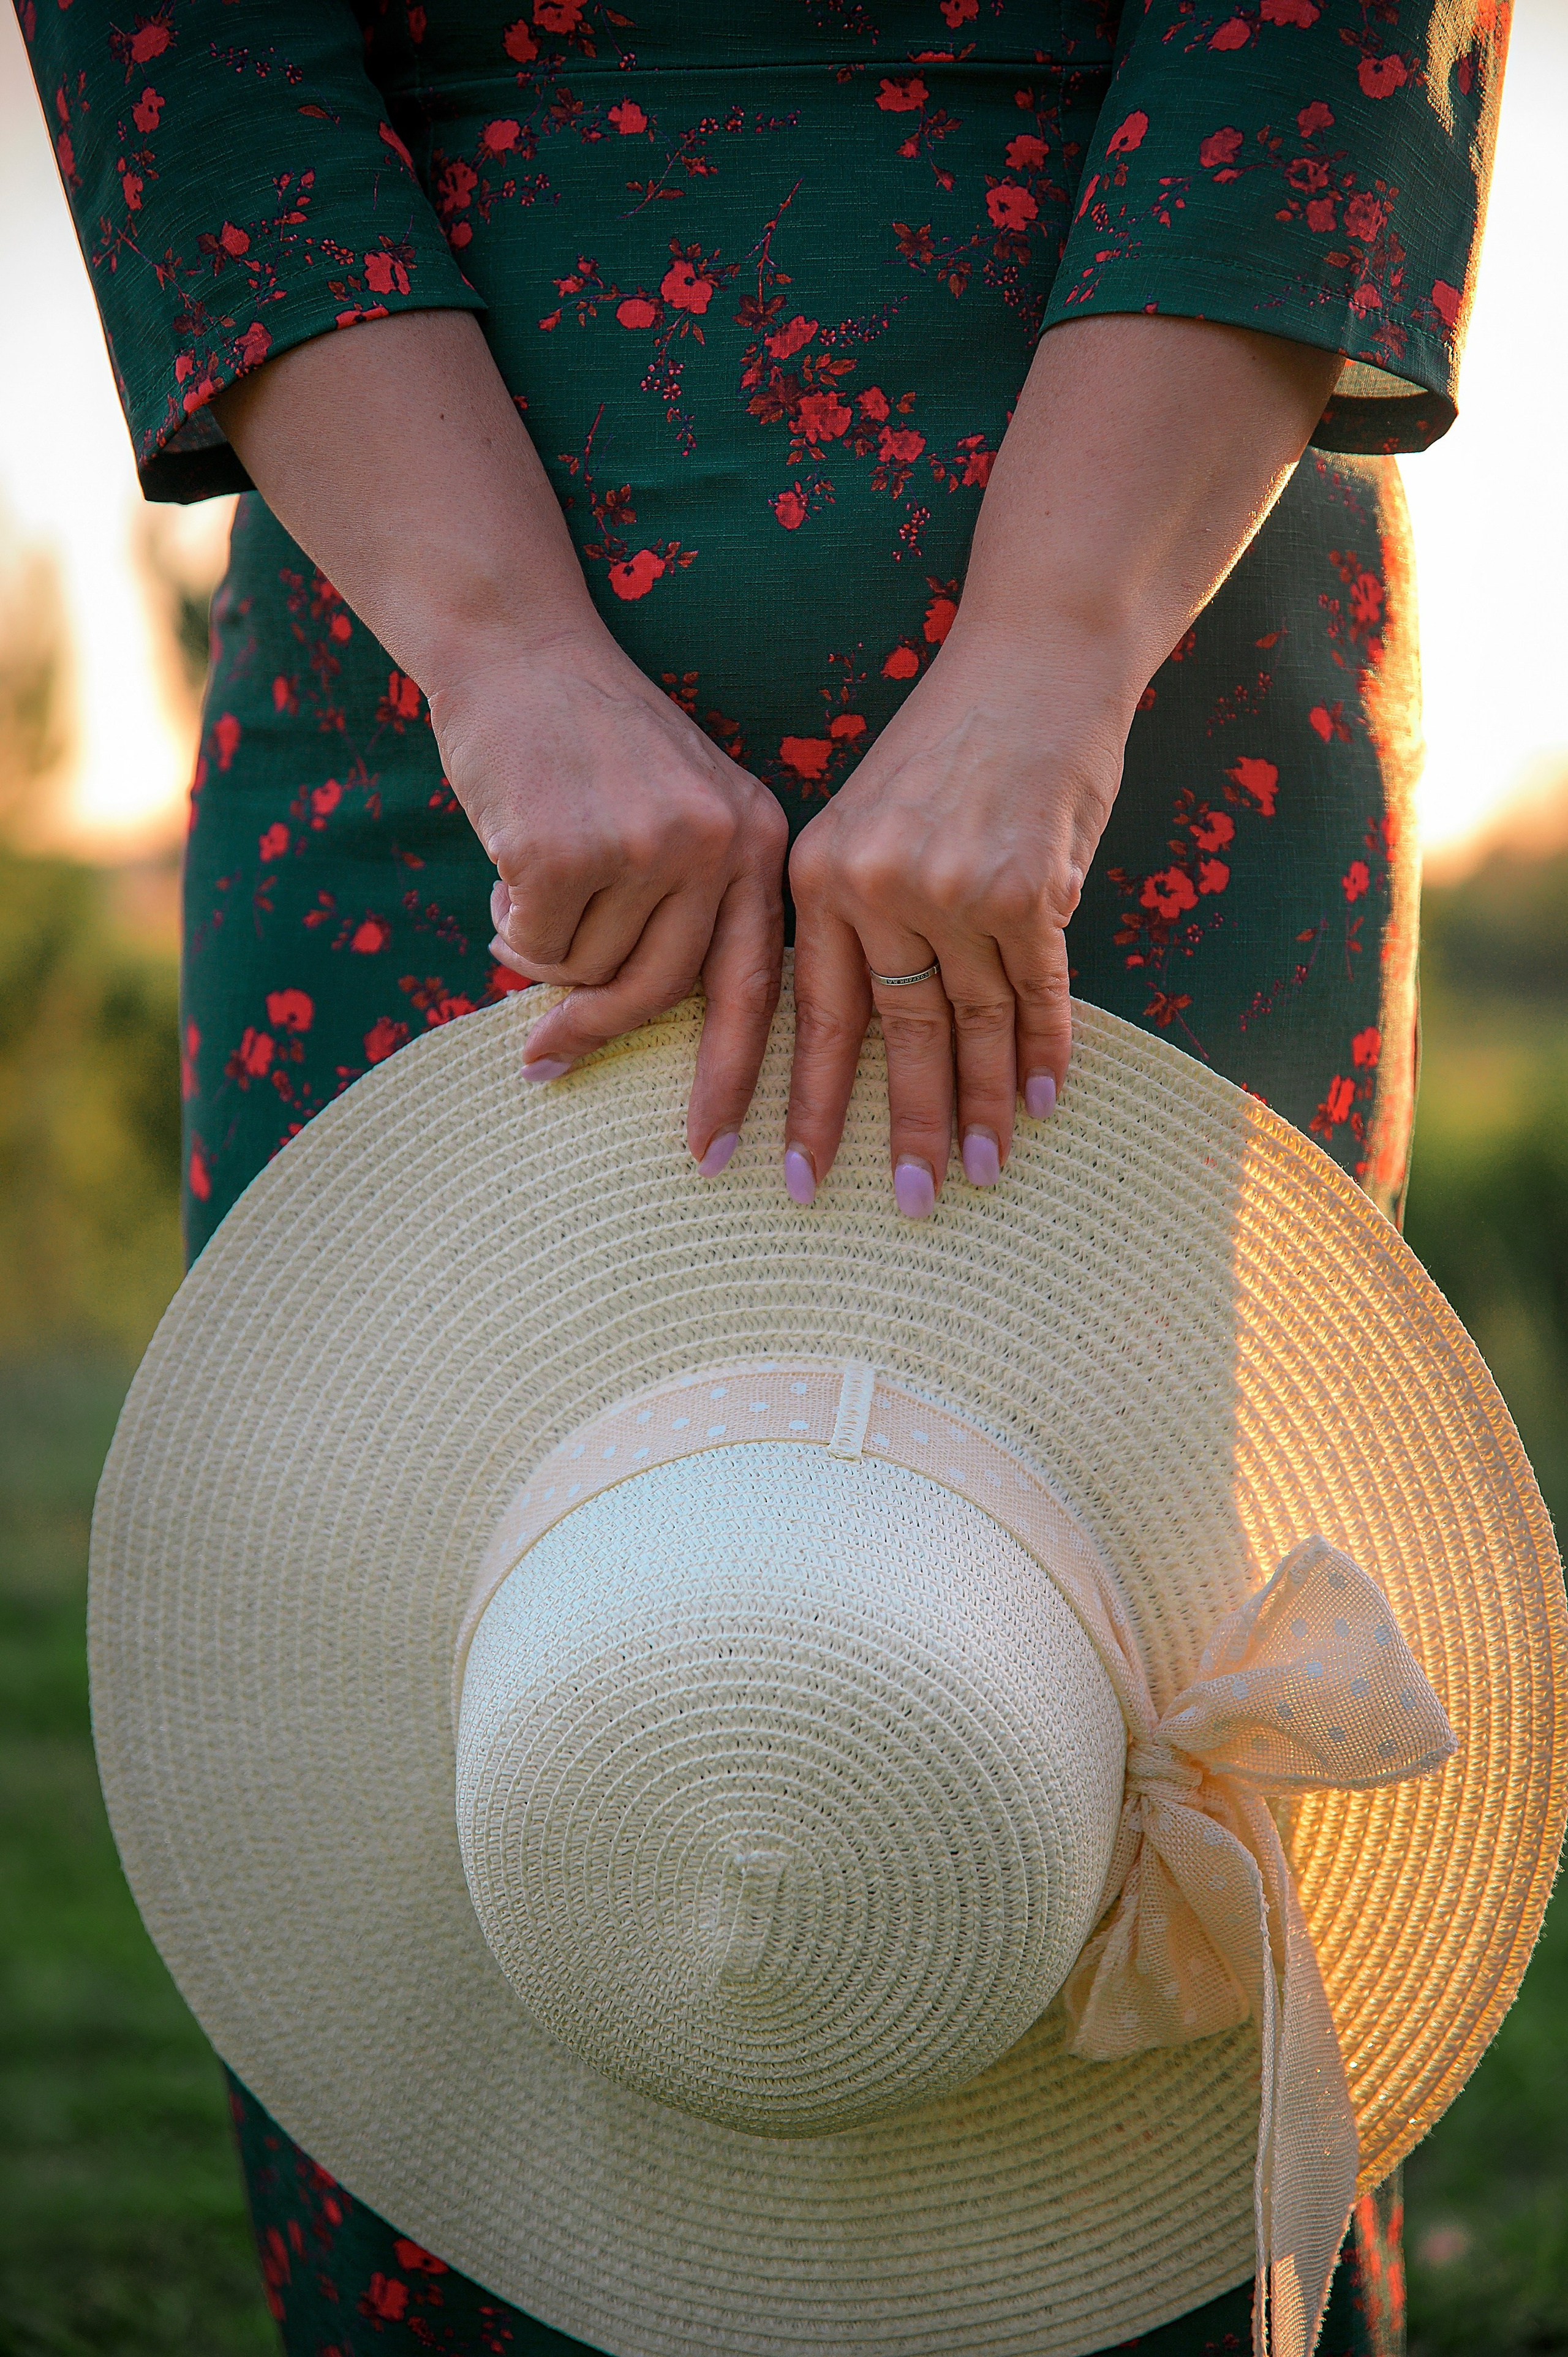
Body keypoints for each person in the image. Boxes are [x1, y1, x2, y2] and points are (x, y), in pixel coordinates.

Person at [23, 1, 1507, 2347]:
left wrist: (1050, 663)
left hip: (1156, 595)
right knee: (485, 1723)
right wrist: (499, 658)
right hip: (423, 613)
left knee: (1089, 1701)